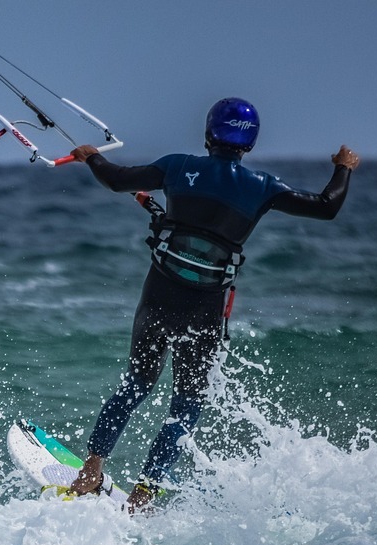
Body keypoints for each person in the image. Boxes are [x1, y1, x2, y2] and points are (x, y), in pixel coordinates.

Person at [65, 97, 360, 511]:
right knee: (185, 404)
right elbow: (327, 207)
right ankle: (143, 496)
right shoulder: (263, 187)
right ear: (250, 144)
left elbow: (116, 179)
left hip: (159, 296)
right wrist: (344, 166)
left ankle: (90, 471)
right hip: (205, 309)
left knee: (135, 386)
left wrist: (92, 156)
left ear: (208, 135)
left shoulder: (175, 166)